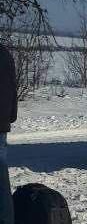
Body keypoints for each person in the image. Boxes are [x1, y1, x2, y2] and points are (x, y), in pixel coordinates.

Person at [0, 43, 16, 224]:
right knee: (2, 183)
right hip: (2, 123)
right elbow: (13, 88)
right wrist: (10, 116)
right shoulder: (5, 53)